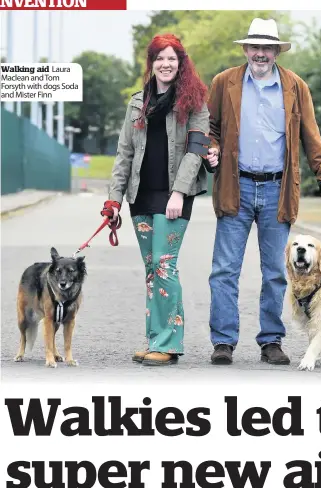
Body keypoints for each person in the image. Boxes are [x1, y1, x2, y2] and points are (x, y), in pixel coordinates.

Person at [205, 18, 321, 366]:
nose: (260, 53)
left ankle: (270, 340)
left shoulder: (296, 87)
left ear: (277, 51)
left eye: (268, 48)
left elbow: (311, 135)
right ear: (246, 49)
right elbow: (210, 127)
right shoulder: (225, 83)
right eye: (255, 47)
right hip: (236, 187)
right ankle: (223, 341)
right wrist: (213, 147)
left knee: (277, 272)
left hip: (278, 190)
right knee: (224, 270)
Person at [105, 33, 217, 366]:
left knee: (165, 265)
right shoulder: (138, 102)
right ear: (151, 63)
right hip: (139, 196)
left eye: (172, 58)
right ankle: (157, 338)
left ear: (181, 64)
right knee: (152, 270)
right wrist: (113, 201)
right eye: (159, 58)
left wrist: (179, 192)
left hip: (174, 196)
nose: (165, 64)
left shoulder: (195, 102)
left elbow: (197, 149)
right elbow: (124, 152)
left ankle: (169, 343)